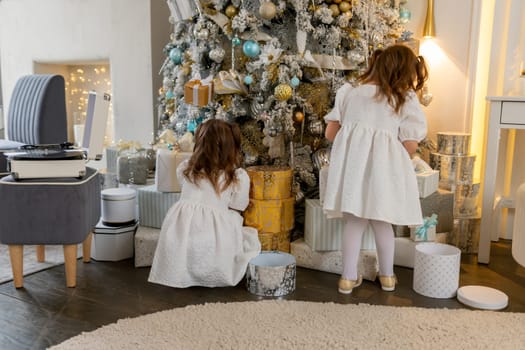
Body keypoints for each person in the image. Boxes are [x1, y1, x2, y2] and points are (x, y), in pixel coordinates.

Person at [323, 44, 429, 294]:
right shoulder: (403, 98)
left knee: (355, 223)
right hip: (384, 173)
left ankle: (347, 279)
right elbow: (410, 145)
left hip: (353, 172)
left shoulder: (348, 92)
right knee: (382, 223)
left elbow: (331, 134)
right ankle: (387, 276)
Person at [148, 119, 261, 288]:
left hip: (181, 232)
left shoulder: (186, 169)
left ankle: (184, 270)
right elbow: (239, 206)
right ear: (230, 147)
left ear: (199, 144)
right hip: (212, 237)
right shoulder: (236, 176)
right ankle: (211, 266)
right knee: (241, 227)